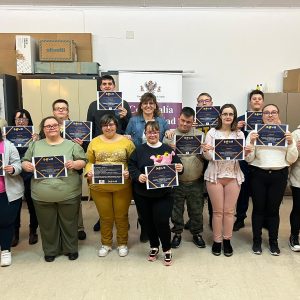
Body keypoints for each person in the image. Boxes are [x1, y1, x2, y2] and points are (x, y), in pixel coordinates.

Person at [22, 116, 87, 262]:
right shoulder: (35, 145)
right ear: (43, 129)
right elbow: (24, 161)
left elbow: (83, 161)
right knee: (47, 224)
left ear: (60, 127)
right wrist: (26, 166)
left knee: (70, 223)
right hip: (41, 194)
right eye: (47, 126)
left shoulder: (71, 145)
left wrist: (75, 164)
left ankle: (71, 249)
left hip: (68, 193)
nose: (51, 128)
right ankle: (51, 250)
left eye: (54, 125)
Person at [128, 121, 183, 266]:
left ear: (159, 133)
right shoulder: (139, 150)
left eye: (155, 132)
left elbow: (178, 166)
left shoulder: (167, 149)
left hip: (164, 194)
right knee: (147, 222)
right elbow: (131, 166)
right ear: (145, 134)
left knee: (162, 221)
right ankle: (154, 246)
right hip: (142, 194)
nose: (152, 134)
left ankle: (167, 248)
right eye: (149, 132)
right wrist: (137, 176)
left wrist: (179, 167)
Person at [245, 104, 298, 255]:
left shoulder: (286, 133)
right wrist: (252, 143)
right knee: (258, 209)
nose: (270, 115)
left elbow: (291, 159)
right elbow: (249, 159)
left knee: (273, 211)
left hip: (278, 175)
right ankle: (257, 241)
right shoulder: (254, 133)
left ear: (278, 114)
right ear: (262, 116)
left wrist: (290, 143)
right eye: (266, 112)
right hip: (258, 175)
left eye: (273, 112)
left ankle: (273, 242)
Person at [203, 104, 250, 257]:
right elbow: (208, 157)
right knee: (217, 212)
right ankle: (217, 241)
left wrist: (247, 152)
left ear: (234, 117)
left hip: (233, 176)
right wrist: (206, 151)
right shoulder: (212, 132)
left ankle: (227, 240)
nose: (228, 117)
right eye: (225, 114)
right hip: (215, 176)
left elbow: (244, 158)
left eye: (231, 114)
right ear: (220, 116)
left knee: (229, 212)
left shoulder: (239, 134)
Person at [85, 114, 135, 257]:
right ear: (101, 127)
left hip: (122, 186)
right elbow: (89, 161)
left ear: (116, 125)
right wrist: (89, 173)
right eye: (105, 125)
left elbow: (134, 162)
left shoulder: (126, 142)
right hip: (99, 187)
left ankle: (122, 243)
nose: (109, 127)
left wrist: (129, 172)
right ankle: (106, 243)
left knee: (121, 216)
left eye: (111, 124)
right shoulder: (94, 142)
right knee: (105, 216)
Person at [87, 75, 132, 232]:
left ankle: (122, 218)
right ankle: (103, 217)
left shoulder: (123, 104)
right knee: (103, 184)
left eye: (109, 84)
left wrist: (125, 116)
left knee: (120, 187)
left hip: (119, 149)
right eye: (103, 84)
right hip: (100, 149)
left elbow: (129, 127)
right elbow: (90, 128)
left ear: (114, 86)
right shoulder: (93, 105)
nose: (106, 86)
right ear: (100, 87)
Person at [125, 92, 170, 242]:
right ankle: (145, 227)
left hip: (158, 165)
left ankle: (159, 228)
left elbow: (166, 142)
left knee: (158, 200)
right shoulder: (133, 120)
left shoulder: (162, 122)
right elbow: (127, 138)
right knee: (142, 200)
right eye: (145, 103)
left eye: (151, 103)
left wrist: (170, 133)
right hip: (140, 162)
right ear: (141, 105)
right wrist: (127, 138)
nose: (148, 106)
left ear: (155, 105)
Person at [163, 107, 206, 249]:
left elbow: (206, 157)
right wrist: (169, 149)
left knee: (196, 210)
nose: (185, 124)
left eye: (188, 122)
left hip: (196, 181)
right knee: (176, 210)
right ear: (178, 119)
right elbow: (162, 160)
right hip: (176, 181)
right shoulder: (169, 136)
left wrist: (204, 149)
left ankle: (196, 233)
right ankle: (177, 233)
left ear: (193, 122)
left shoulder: (200, 136)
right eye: (182, 120)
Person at [52, 99, 87, 241]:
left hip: (73, 169)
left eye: (64, 108)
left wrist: (82, 144)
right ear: (53, 112)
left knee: (75, 200)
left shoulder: (77, 128)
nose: (61, 110)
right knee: (55, 200)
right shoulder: (48, 127)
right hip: (53, 170)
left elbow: (85, 153)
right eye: (58, 108)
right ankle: (59, 228)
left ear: (68, 112)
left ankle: (79, 228)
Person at [233, 89, 264, 231]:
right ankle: (240, 218)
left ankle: (263, 219)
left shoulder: (268, 119)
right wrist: (236, 128)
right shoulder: (241, 118)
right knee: (243, 191)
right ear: (250, 101)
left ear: (262, 101)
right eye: (254, 99)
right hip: (244, 161)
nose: (257, 100)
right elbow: (231, 137)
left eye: (259, 98)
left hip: (260, 161)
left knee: (260, 193)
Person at [10, 109, 39, 247]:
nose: (21, 121)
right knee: (15, 205)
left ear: (29, 121)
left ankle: (33, 230)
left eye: (24, 119)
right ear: (14, 121)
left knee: (32, 204)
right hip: (13, 175)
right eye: (18, 119)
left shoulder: (34, 136)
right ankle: (15, 232)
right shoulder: (7, 136)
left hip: (29, 174)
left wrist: (36, 141)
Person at [0, 126, 24, 267]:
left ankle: (5, 251)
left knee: (6, 222)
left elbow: (18, 164)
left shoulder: (7, 145)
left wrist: (13, 168)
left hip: (6, 191)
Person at [289, 125, 300, 251]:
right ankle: (294, 236)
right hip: (298, 178)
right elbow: (291, 157)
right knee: (298, 208)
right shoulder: (296, 133)